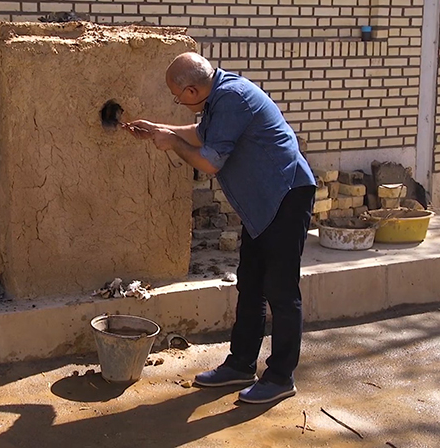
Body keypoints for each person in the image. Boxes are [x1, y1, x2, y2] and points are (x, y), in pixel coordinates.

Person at [125, 52, 317, 404]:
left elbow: (209, 161)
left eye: (177, 96)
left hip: (286, 195)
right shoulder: (218, 95)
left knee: (281, 290)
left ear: (193, 89)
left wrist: (174, 144)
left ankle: (280, 377)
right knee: (251, 284)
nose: (177, 102)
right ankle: (241, 364)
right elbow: (201, 134)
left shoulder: (232, 98)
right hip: (263, 203)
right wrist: (163, 130)